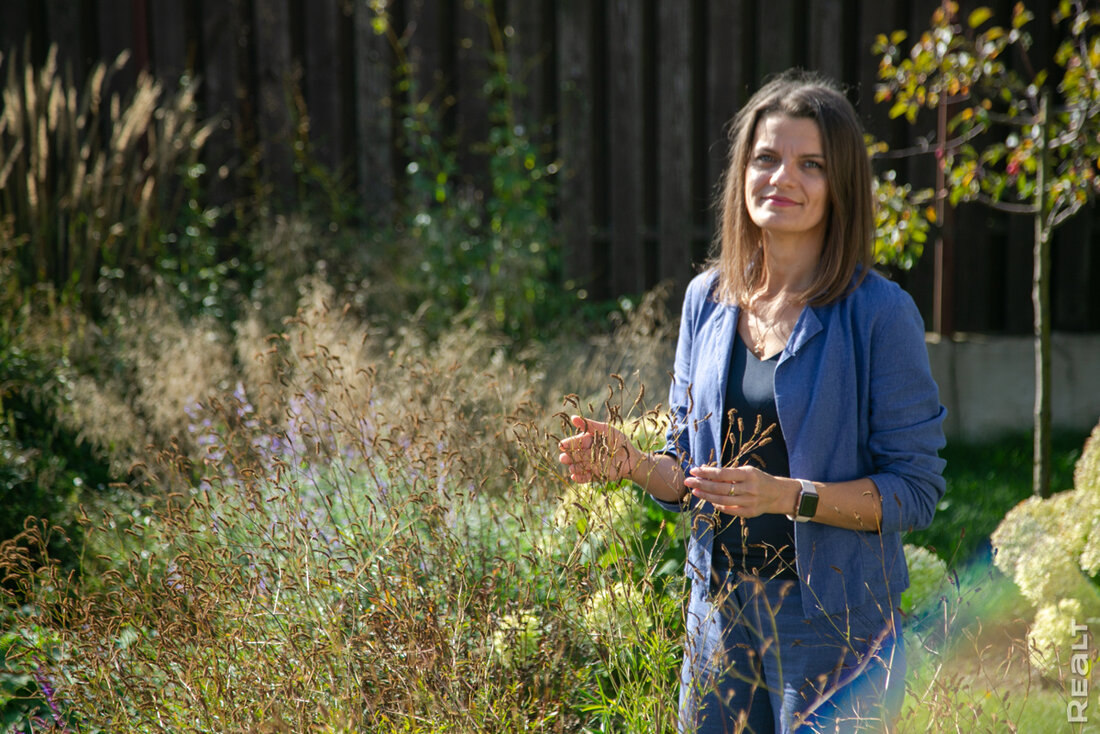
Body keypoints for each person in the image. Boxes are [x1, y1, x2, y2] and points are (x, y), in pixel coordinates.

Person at [558, 69, 946, 733]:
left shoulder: (881, 314)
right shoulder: (705, 301)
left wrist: (788, 495)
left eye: (810, 164)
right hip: (718, 615)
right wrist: (634, 463)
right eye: (766, 158)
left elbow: (914, 492)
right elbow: (687, 467)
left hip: (834, 625)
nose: (781, 178)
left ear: (840, 185)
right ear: (742, 173)